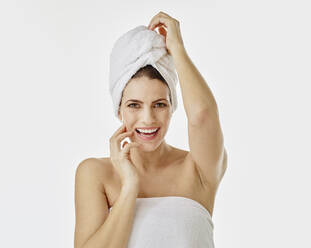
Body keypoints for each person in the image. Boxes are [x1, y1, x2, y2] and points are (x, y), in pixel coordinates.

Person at [74, 11, 228, 248]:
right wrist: (129, 188)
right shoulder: (95, 174)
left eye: (159, 104)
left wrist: (177, 49)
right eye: (134, 105)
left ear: (173, 107)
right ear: (119, 110)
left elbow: (203, 116)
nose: (147, 119)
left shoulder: (197, 169)